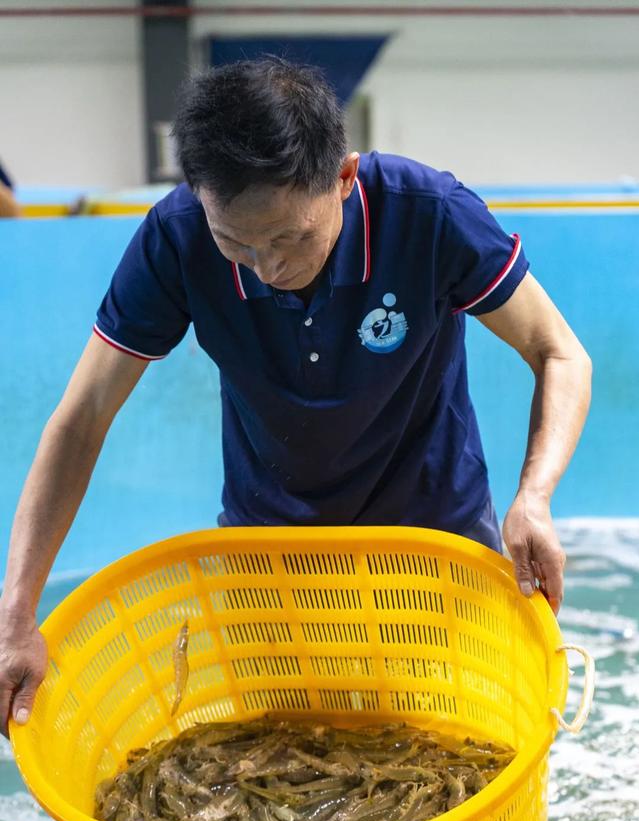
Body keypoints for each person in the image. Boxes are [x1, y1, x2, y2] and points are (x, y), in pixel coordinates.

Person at [0, 59, 591, 737]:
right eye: (236, 243)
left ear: (343, 177)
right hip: (271, 550)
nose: (269, 267)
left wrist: (534, 497)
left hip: (434, 539)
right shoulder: (177, 235)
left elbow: (561, 352)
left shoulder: (428, 214)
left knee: (454, 742)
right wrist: (15, 617)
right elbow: (81, 420)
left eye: (290, 238)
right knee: (280, 752)